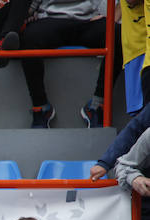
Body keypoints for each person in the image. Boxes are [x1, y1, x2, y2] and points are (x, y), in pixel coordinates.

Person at [19, 0, 122, 128]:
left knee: (118, 35)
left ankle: (97, 105)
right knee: (29, 38)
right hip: (50, 20)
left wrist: (110, 19)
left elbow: (116, 4)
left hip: (87, 21)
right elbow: (29, 6)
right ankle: (40, 108)